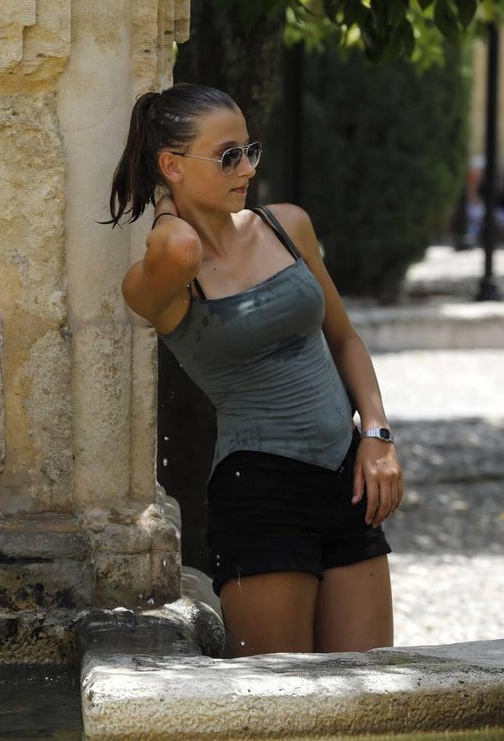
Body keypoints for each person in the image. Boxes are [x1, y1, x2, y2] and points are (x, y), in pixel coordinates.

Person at [106, 83, 403, 658]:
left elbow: (344, 338)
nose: (247, 168)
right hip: (261, 494)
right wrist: (166, 204)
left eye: (249, 151)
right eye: (227, 157)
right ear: (172, 165)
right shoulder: (169, 277)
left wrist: (377, 433)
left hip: (348, 476)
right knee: (284, 699)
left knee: (370, 686)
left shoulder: (287, 225)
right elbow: (178, 247)